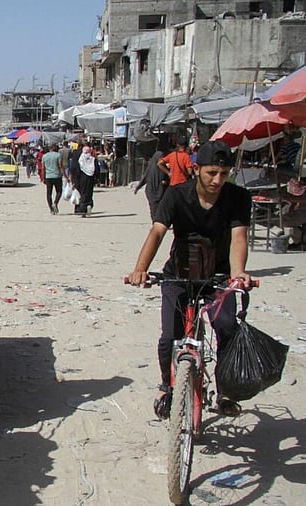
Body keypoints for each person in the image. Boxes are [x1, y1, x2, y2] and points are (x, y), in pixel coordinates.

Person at [127, 140, 253, 419]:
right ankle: (167, 386)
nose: (218, 180)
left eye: (223, 173)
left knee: (226, 327)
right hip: (179, 274)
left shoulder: (238, 198)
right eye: (211, 173)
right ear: (196, 169)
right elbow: (158, 232)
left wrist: (238, 273)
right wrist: (140, 268)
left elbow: (238, 237)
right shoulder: (175, 195)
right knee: (169, 336)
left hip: (218, 276)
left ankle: (225, 391)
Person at [134, 144, 169, 221]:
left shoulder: (164, 168)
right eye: (160, 157)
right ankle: (155, 221)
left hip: (160, 190)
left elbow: (168, 178)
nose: (161, 159)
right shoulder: (151, 167)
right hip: (151, 191)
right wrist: (138, 187)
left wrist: (166, 182)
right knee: (153, 207)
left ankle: (159, 221)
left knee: (161, 206)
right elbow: (144, 178)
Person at [40, 144, 62, 215]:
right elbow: (60, 166)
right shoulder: (58, 155)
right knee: (59, 191)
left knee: (49, 193)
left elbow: (43, 168)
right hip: (57, 176)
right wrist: (64, 175)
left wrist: (43, 177)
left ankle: (51, 209)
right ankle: (55, 203)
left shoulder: (45, 156)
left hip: (48, 177)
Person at [75, 145, 96, 216]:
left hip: (82, 178)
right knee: (89, 192)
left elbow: (78, 170)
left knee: (83, 192)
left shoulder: (81, 158)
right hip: (91, 178)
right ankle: (89, 204)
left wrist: (76, 179)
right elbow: (96, 169)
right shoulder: (92, 158)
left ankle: (83, 209)